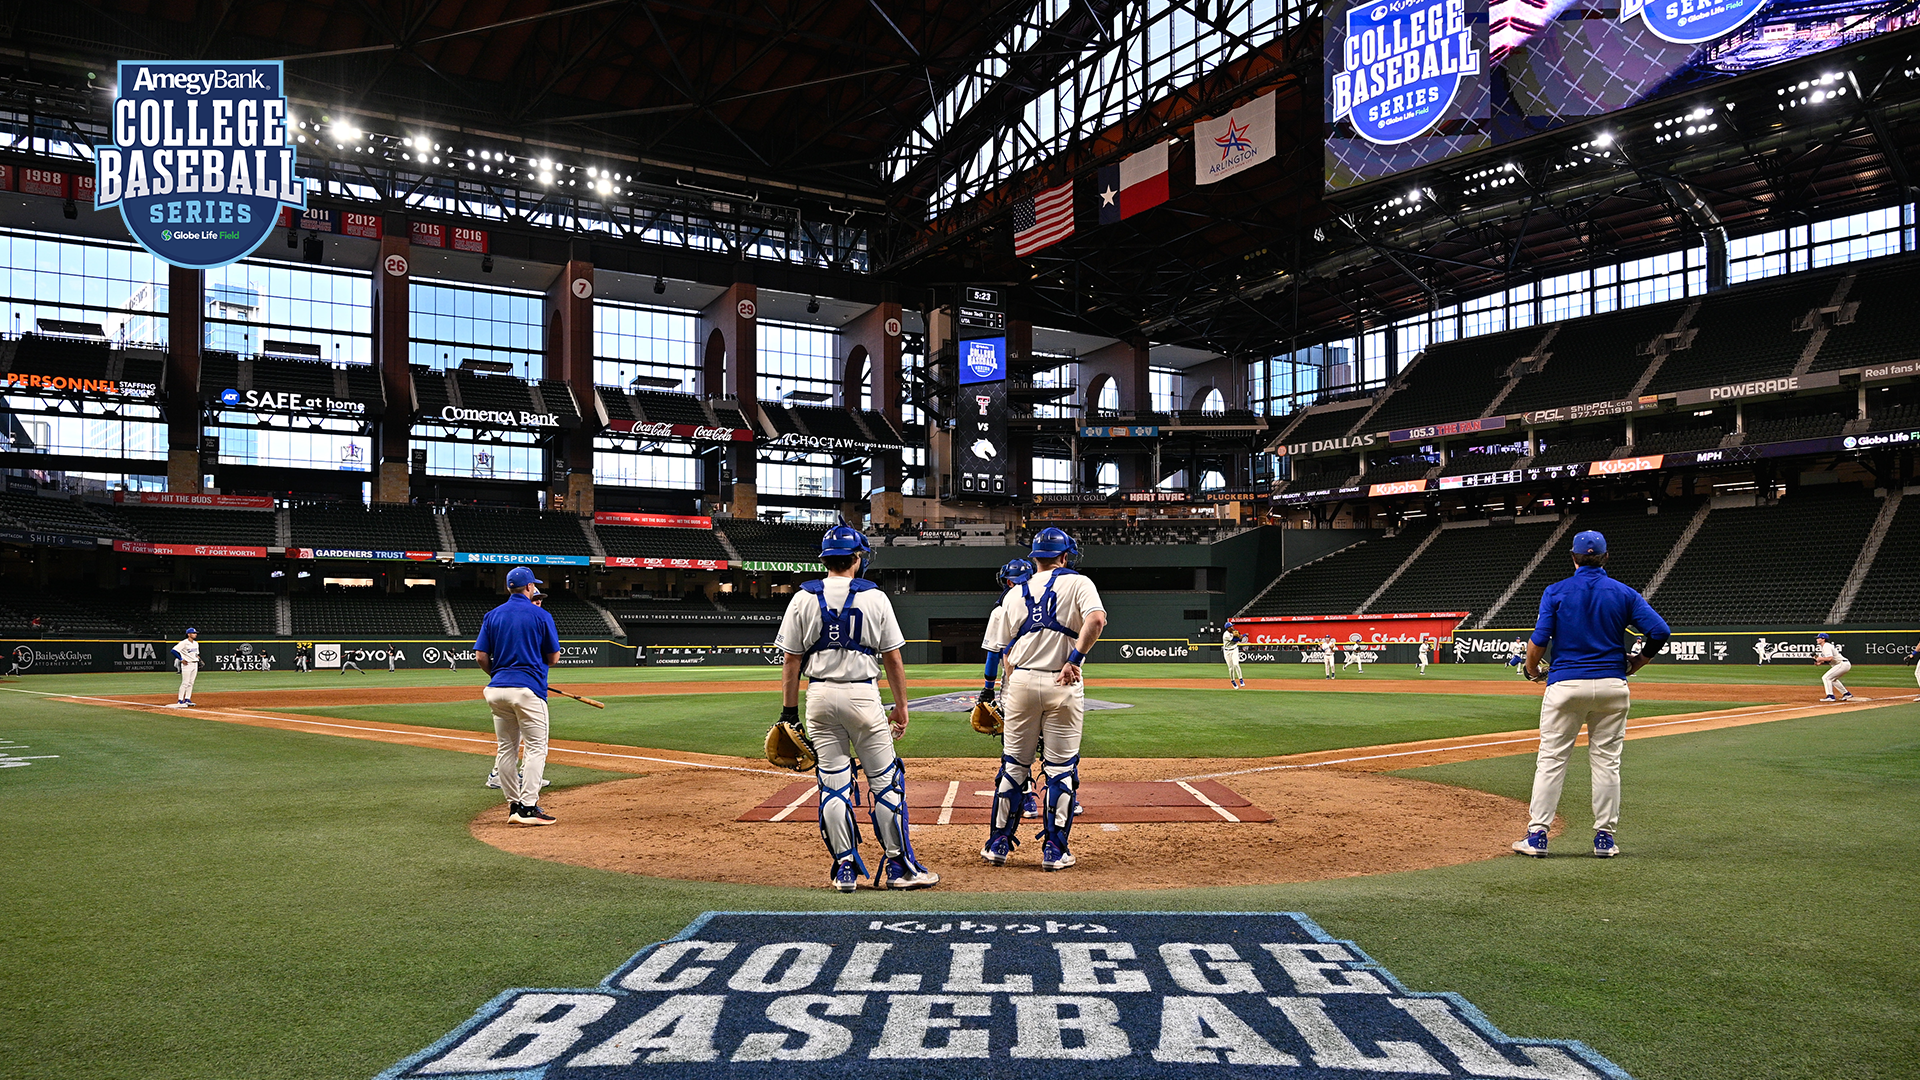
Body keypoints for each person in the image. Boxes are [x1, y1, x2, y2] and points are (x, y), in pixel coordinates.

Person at [775, 524, 936, 891]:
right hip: (863, 696)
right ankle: (899, 868)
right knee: (884, 784)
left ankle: (845, 868)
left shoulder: (801, 597)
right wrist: (902, 707)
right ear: (857, 558)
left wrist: (788, 713)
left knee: (832, 783)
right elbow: (893, 660)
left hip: (818, 697)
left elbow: (790, 661)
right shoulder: (874, 597)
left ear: (825, 560)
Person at [1513, 530, 1670, 859]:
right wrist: (1639, 662)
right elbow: (1659, 631)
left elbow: (1539, 641)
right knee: (1607, 764)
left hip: (1566, 684)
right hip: (1613, 686)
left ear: (1572, 557)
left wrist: (1531, 670)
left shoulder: (1555, 591)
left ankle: (1538, 836)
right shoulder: (1623, 593)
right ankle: (1604, 839)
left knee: (1552, 761)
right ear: (1605, 558)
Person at [979, 526, 1107, 871]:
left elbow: (1003, 652)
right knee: (1060, 770)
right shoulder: (1079, 582)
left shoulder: (1013, 593)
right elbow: (1096, 620)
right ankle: (1054, 850)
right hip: (1061, 682)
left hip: (1020, 682)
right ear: (1065, 557)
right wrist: (1074, 660)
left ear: (1035, 558)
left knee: (1013, 766)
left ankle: (998, 844)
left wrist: (1007, 684)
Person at [475, 566, 561, 826]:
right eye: (533, 585)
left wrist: (499, 675)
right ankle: (529, 806)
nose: (534, 588)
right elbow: (553, 657)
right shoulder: (540, 614)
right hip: (527, 690)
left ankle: (514, 805)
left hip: (496, 689)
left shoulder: (492, 615)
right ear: (528, 588)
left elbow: (480, 656)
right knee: (535, 749)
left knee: (506, 749)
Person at [980, 557, 1042, 818]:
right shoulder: (1050, 601)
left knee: (1016, 745)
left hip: (1015, 684)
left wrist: (987, 688)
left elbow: (994, 654)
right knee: (1052, 742)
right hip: (1051, 679)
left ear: (1007, 581)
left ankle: (1026, 798)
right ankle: (1064, 796)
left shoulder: (1001, 608)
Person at [1815, 632, 1853, 702]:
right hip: (1844, 664)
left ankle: (1830, 696)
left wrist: (1819, 658)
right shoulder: (1826, 646)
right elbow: (1828, 659)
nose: (1817, 639)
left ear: (1823, 639)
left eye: (1818, 638)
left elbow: (1830, 658)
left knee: (1826, 678)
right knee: (1833, 679)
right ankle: (1846, 694)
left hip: (1842, 664)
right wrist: (1820, 662)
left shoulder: (1826, 645)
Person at [171, 627, 200, 707]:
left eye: (195, 633)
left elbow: (196, 654)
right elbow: (173, 651)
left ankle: (187, 699)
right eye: (194, 633)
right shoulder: (184, 643)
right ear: (189, 634)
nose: (195, 634)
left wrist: (199, 659)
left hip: (195, 664)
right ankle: (180, 700)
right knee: (185, 683)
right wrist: (181, 659)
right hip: (187, 664)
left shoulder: (196, 643)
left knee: (191, 683)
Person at [1222, 619, 1246, 689]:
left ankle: (1241, 679)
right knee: (1231, 668)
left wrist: (1240, 636)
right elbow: (1235, 640)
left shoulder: (1234, 632)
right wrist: (1244, 635)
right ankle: (1233, 681)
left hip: (1234, 649)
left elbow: (1239, 639)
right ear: (1227, 628)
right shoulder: (1226, 635)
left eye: (1232, 626)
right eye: (1231, 626)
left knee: (1236, 664)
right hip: (1227, 651)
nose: (1232, 627)